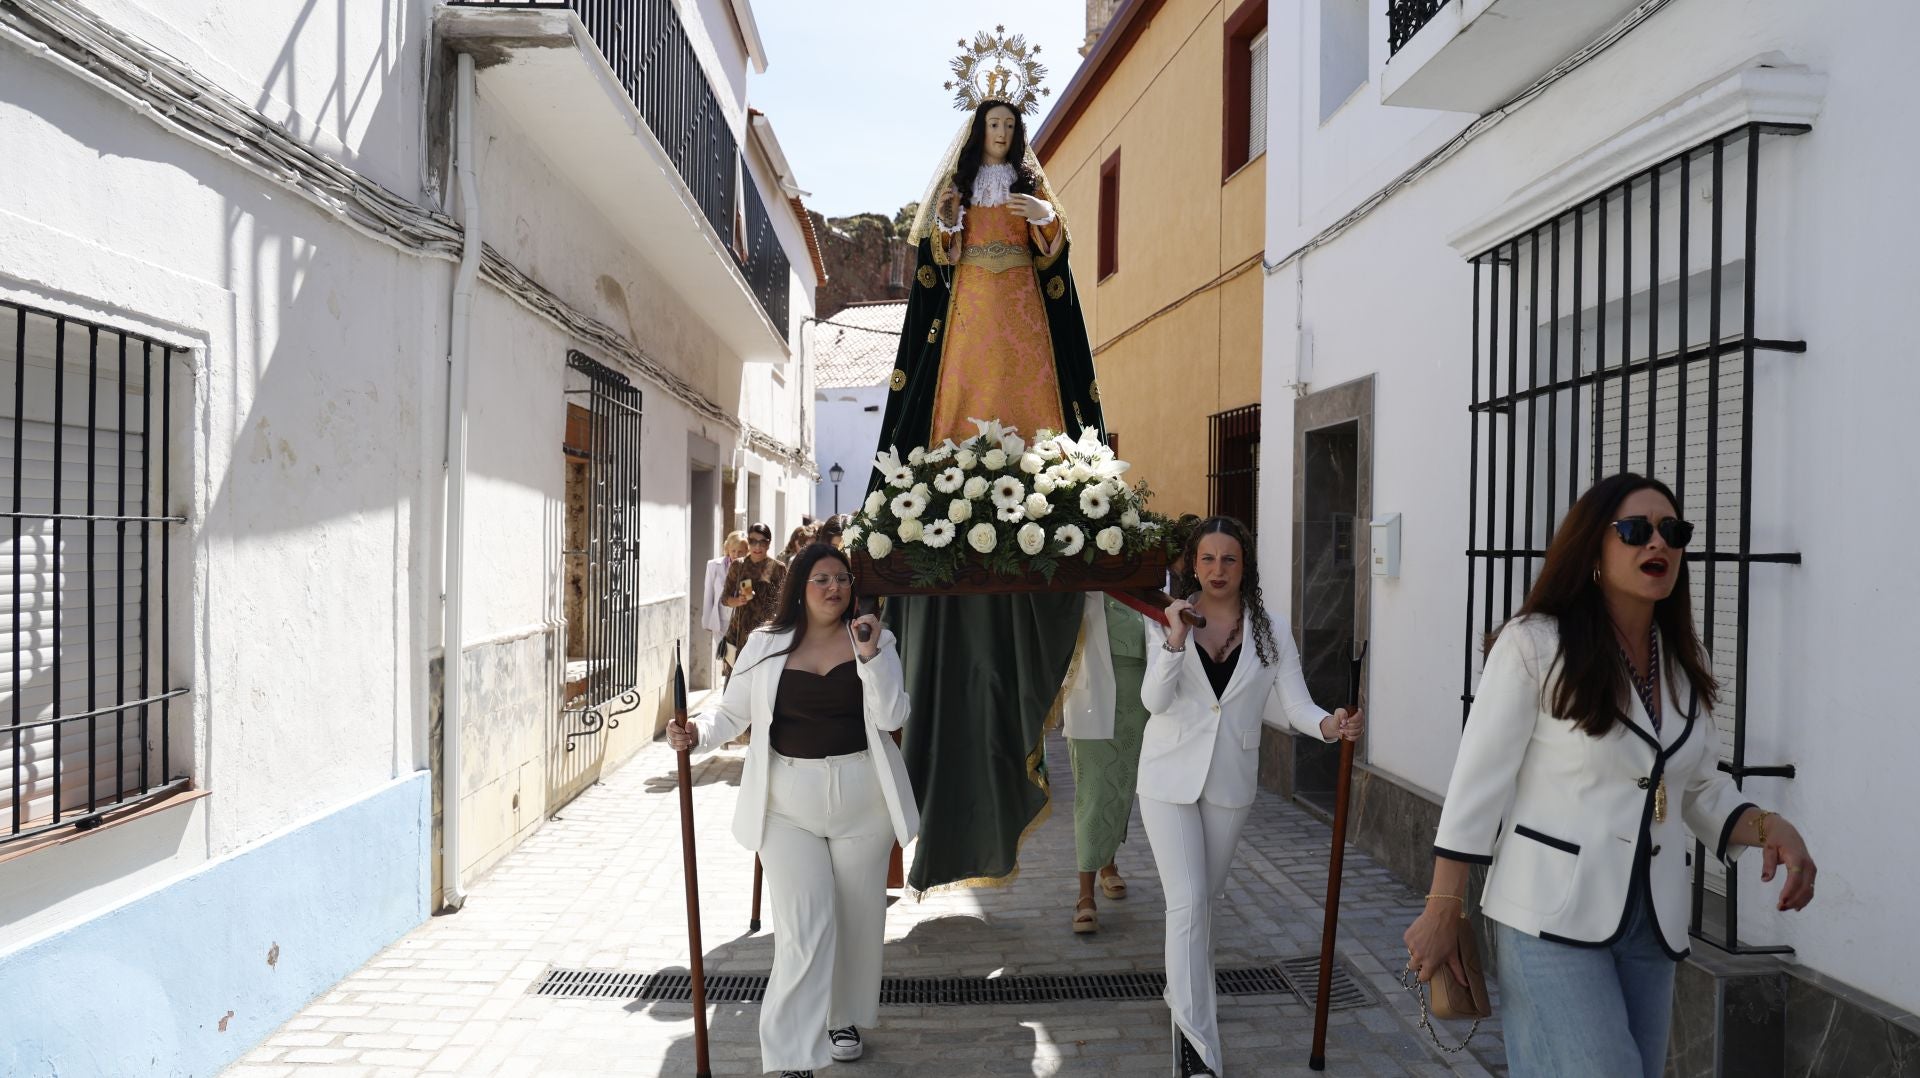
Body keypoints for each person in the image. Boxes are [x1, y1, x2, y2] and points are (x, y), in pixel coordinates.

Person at [1402, 474, 1817, 1078]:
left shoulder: (1682, 663)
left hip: (1653, 920)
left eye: (1673, 532)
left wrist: (1768, 826)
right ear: (1594, 547)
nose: (1659, 544)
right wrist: (1443, 906)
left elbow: (1697, 786)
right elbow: (1477, 785)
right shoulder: (1534, 646)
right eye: (1636, 530)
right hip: (1550, 916)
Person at [872, 88, 1105, 892]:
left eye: (1011, 128)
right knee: (964, 392)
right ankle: (957, 466)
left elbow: (1055, 261)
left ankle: (1037, 469)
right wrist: (945, 233)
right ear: (977, 136)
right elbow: (934, 263)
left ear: (1020, 137)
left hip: (1022, 320)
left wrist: (1044, 226)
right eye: (992, 127)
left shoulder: (1035, 193)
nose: (1001, 136)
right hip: (972, 313)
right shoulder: (959, 197)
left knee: (1030, 389)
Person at [667, 543, 917, 1078]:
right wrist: (696, 734)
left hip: (863, 803)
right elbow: (732, 713)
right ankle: (791, 1055)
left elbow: (894, 712)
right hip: (786, 804)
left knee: (856, 920)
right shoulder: (765, 644)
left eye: (843, 579)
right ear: (800, 588)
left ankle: (842, 1018)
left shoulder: (877, 642)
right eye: (822, 579)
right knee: (805, 926)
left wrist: (871, 658)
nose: (835, 588)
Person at [1142, 517, 1364, 1077]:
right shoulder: (1166, 617)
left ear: (1246, 566)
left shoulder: (1270, 630)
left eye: (1230, 560)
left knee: (1201, 911)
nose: (1218, 570)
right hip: (1167, 778)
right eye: (1208, 559)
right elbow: (1153, 701)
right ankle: (1198, 1054)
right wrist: (1173, 641)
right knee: (1188, 904)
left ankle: (1184, 1001)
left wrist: (1331, 725)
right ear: (1193, 563)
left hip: (1229, 784)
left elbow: (1296, 706)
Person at [1064, 514, 1200, 934]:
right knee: (1094, 788)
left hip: (1144, 698)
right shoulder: (1078, 577)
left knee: (1124, 783)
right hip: (1094, 698)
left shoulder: (1146, 580)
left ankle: (1108, 863)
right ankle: (1084, 891)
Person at [723, 523, 788, 664]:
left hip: (766, 632)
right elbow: (724, 598)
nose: (757, 547)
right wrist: (738, 600)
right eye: (753, 541)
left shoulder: (778, 568)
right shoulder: (738, 565)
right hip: (740, 632)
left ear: (769, 543)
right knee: (738, 680)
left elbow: (786, 601)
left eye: (762, 542)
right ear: (748, 542)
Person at [704, 531, 748, 674]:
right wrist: (707, 621)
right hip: (720, 621)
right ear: (727, 549)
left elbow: (747, 595)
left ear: (746, 551)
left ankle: (731, 690)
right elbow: (709, 594)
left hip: (739, 621)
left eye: (740, 551)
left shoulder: (748, 567)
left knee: (736, 662)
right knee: (729, 660)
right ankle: (730, 690)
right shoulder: (713, 565)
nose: (736, 554)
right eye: (733, 550)